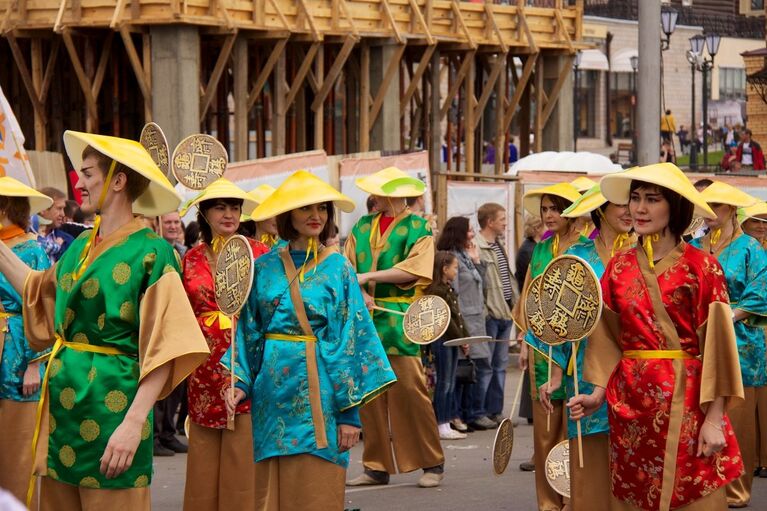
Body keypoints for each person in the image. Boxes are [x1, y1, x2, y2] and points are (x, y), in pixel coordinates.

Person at [0, 131, 210, 510]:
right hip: (64, 410)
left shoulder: (153, 253)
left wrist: (133, 424)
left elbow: (167, 345)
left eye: (87, 173)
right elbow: (37, 292)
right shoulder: (80, 246)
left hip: (116, 410)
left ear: (118, 180)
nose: (78, 183)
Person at [571, 163, 744, 510]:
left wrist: (714, 418)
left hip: (689, 399)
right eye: (635, 199)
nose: (640, 208)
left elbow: (718, 346)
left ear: (675, 206)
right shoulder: (618, 267)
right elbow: (607, 336)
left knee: (693, 491)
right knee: (632, 491)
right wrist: (598, 394)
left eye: (652, 199)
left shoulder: (702, 266)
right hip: (630, 402)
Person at [224, 170, 396, 510]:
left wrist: (350, 416)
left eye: (322, 208)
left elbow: (353, 340)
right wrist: (240, 380)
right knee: (271, 489)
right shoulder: (263, 267)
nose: (316, 216)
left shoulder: (338, 268)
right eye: (305, 209)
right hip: (271, 395)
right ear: (288, 215)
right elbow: (249, 329)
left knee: (317, 486)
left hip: (321, 393)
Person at [344, 166, 445, 488]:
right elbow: (345, 265)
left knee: (411, 393)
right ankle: (375, 466)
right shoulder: (362, 225)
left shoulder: (419, 227)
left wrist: (368, 278)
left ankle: (432, 462)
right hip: (366, 320)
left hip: (401, 321)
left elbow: (414, 270)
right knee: (370, 394)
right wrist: (359, 291)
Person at [539, 184, 634, 511]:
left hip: (635, 363)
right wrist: (554, 375)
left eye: (631, 203)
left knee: (633, 446)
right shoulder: (578, 258)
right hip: (584, 367)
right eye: (621, 205)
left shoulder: (641, 255)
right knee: (588, 449)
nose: (629, 211)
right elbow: (558, 322)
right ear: (601, 211)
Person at [180, 178, 268, 511]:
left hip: (244, 362)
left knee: (241, 453)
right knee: (202, 454)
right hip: (202, 367)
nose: (229, 214)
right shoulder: (190, 258)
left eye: (234, 207)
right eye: (220, 207)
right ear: (204, 212)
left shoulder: (259, 253)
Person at [690, 181, 767, 508]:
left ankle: (738, 488)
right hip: (700, 336)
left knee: (737, 415)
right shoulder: (695, 245)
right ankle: (708, 483)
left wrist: (727, 318)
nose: (710, 213)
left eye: (717, 206)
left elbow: (761, 290)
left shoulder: (750, 247)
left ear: (731, 210)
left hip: (741, 339)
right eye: (706, 206)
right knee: (702, 409)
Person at [511, 182, 585, 511]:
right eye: (544, 209)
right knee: (544, 430)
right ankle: (548, 501)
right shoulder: (541, 248)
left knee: (572, 428)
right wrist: (525, 340)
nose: (549, 215)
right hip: (541, 346)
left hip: (575, 348)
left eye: (555, 208)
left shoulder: (584, 248)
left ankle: (573, 498)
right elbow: (528, 296)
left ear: (571, 211)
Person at [0, 178, 53, 507]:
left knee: (17, 443)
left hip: (20, 356)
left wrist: (36, 363)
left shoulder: (32, 250)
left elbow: (46, 311)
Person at [436, 217, 490, 432]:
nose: (472, 235)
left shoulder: (466, 257)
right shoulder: (451, 258)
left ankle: (467, 412)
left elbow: (482, 285)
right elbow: (454, 293)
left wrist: (477, 262)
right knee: (456, 373)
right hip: (463, 318)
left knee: (470, 368)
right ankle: (455, 414)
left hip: (475, 316)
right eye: (469, 231)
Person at [475, 203, 516, 427]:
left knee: (500, 365)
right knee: (486, 366)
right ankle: (480, 411)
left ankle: (495, 410)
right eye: (501, 219)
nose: (505, 222)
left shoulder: (498, 244)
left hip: (505, 312)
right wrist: (486, 312)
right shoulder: (479, 247)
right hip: (492, 314)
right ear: (489, 222)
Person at [424, 250, 471, 440]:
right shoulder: (437, 291)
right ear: (444, 269)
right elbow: (447, 320)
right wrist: (460, 339)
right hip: (443, 340)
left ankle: (447, 420)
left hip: (452, 339)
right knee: (444, 382)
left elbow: (458, 317)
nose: (456, 271)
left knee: (450, 381)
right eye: (454, 268)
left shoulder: (448, 288)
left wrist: (464, 339)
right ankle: (441, 422)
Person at [739, 201, 767, 478]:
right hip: (746, 326)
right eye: (756, 220)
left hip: (753, 327)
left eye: (765, 222)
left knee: (757, 398)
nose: (761, 226)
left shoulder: (753, 251)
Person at [515, 215, 542, 428]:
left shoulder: (535, 248)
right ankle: (531, 412)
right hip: (535, 313)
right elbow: (528, 285)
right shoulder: (530, 251)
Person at [37, 187, 74, 262]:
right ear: (42, 209)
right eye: (59, 208)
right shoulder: (24, 238)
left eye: (63, 209)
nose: (63, 214)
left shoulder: (68, 241)